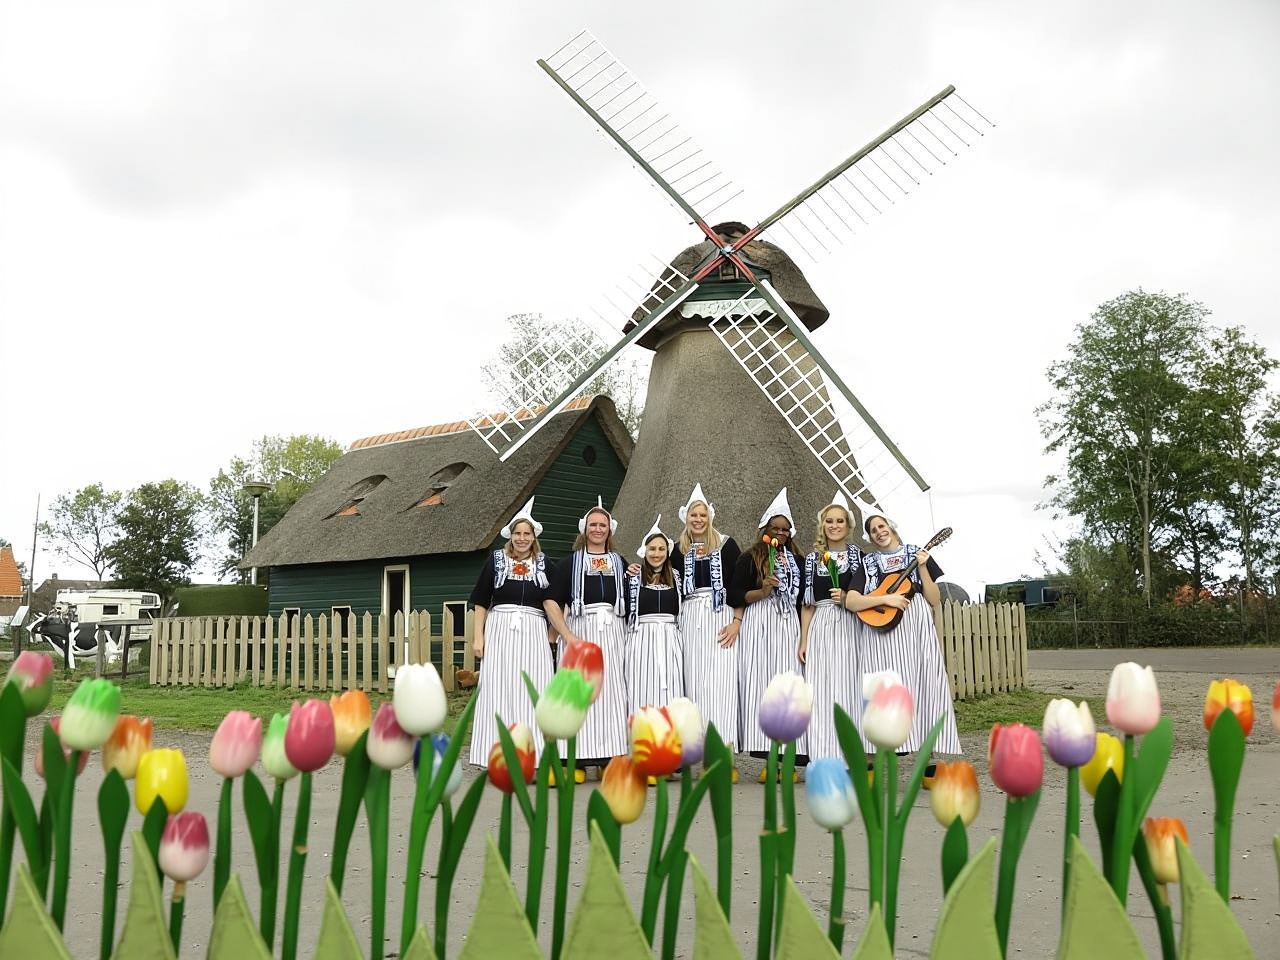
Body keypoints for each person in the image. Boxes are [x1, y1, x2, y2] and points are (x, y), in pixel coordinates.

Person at [842, 512, 961, 765]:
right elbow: (851, 601)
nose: (879, 532)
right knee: (879, 687)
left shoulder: (917, 553)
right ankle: (871, 759)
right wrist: (885, 599)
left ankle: (928, 758)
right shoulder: (869, 562)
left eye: (881, 526)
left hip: (913, 622)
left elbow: (934, 599)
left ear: (891, 527)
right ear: (870, 537)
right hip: (879, 630)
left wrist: (921, 567)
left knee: (920, 682)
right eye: (873, 530)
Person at [467, 497, 576, 768]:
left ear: (534, 537)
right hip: (500, 630)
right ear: (511, 536)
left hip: (533, 631)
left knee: (533, 688)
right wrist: (478, 637)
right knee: (498, 687)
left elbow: (558, 599)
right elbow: (481, 601)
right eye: (518, 533)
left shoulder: (546, 564)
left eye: (527, 534)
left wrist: (553, 634)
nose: (522, 538)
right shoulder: (495, 561)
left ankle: (533, 755)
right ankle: (496, 755)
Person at [547, 496, 630, 780]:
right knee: (580, 693)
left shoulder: (620, 562)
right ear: (584, 529)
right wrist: (567, 636)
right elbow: (550, 601)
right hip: (581, 632)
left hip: (613, 632)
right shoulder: (569, 564)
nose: (598, 529)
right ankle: (579, 759)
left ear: (610, 529)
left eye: (602, 525)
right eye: (593, 525)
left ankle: (610, 754)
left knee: (612, 692)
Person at [730, 487, 808, 779]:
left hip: (789, 625)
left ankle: (788, 758)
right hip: (760, 624)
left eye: (784, 529)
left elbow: (804, 600)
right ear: (765, 529)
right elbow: (736, 593)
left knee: (788, 690)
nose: (779, 533)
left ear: (791, 532)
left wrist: (804, 633)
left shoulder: (799, 562)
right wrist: (761, 592)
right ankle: (768, 761)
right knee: (764, 687)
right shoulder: (750, 558)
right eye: (775, 528)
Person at [672, 484, 742, 767]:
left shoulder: (727, 546)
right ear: (686, 519)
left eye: (702, 515)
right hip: (690, 617)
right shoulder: (676, 550)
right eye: (693, 515)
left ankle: (723, 752)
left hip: (720, 616)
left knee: (721, 683)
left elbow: (738, 585)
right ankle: (696, 751)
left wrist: (737, 621)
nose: (698, 520)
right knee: (695, 682)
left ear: (709, 517)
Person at [798, 492, 861, 760]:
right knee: (820, 687)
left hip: (850, 624)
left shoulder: (860, 557)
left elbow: (867, 595)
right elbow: (808, 604)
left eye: (840, 521)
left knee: (849, 686)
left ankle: (850, 753)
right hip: (822, 625)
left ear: (848, 526)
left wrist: (847, 598)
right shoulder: (813, 559)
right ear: (823, 525)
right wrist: (804, 639)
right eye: (829, 521)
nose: (834, 526)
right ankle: (823, 754)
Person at [625, 517, 683, 714]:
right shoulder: (633, 576)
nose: (656, 553)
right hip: (641, 639)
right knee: (641, 686)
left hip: (670, 639)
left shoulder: (677, 576)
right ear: (644, 551)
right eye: (652, 549)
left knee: (671, 689)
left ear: (667, 552)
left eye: (661, 549)